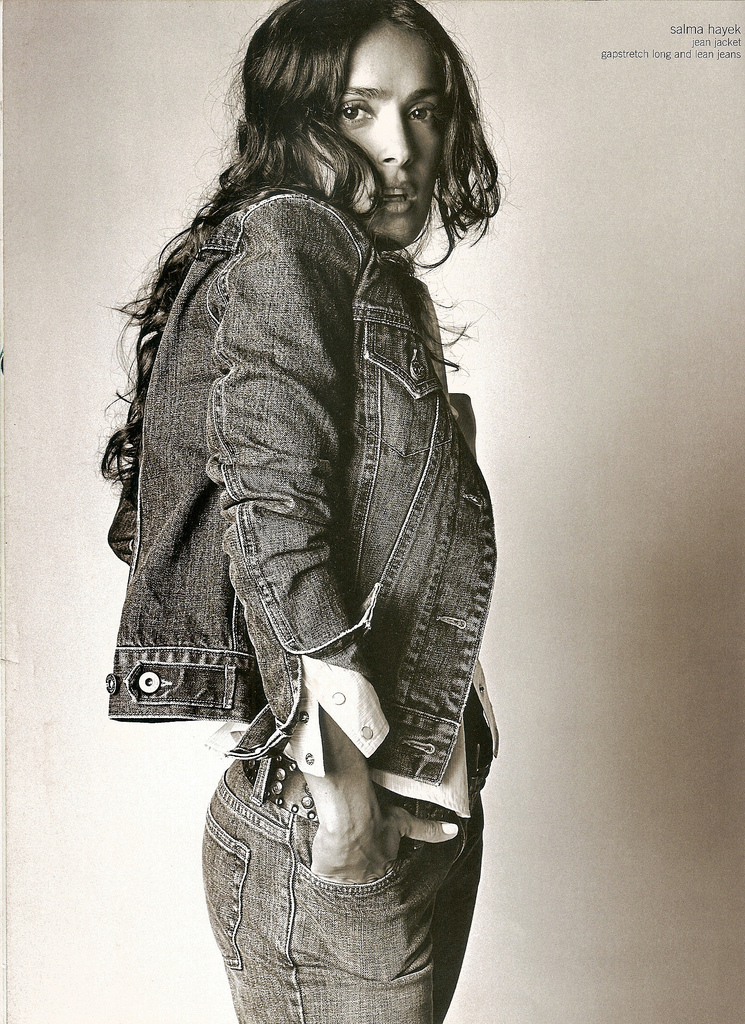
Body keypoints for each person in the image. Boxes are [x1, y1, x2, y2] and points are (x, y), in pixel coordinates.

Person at [102, 1, 500, 1021]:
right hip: (335, 821)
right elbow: (273, 512)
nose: (400, 148)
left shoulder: (364, 276)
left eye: (423, 110)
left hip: (410, 817)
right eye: (357, 111)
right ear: (294, 123)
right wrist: (346, 797)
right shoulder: (291, 235)